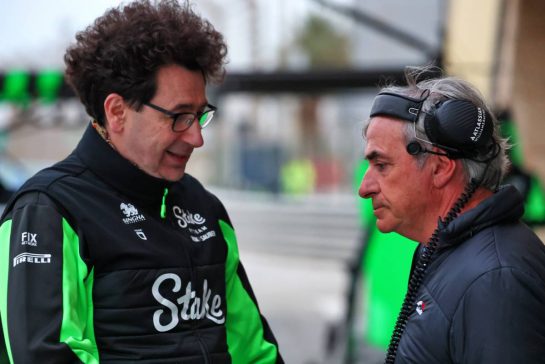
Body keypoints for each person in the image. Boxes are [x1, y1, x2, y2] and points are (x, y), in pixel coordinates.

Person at [0, 1, 283, 363]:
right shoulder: (50, 209)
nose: (197, 138)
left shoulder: (205, 209)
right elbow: (44, 356)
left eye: (200, 116)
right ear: (117, 112)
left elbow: (254, 352)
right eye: (179, 117)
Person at [358, 68, 545, 363]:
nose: (364, 188)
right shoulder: (453, 253)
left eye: (381, 165)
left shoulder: (495, 280)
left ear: (441, 167)